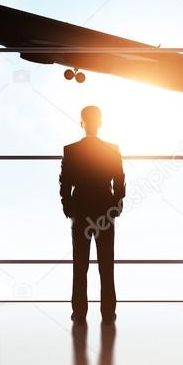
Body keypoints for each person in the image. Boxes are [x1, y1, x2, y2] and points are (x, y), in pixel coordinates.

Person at [59, 106, 125, 324]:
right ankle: (108, 314)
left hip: (81, 210)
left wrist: (67, 206)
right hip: (105, 210)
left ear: (82, 123)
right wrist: (116, 203)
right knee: (107, 265)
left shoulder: (71, 150)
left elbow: (65, 182)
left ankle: (79, 313)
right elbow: (119, 179)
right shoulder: (112, 149)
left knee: (80, 266)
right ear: (101, 122)